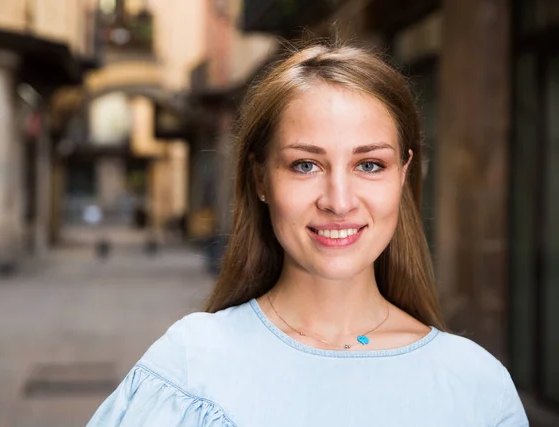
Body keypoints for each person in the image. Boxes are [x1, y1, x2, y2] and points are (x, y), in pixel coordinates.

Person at [87, 41, 528, 426]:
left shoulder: (478, 387)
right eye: (306, 165)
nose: (339, 201)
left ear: (403, 175)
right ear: (260, 179)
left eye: (369, 165)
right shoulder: (189, 368)